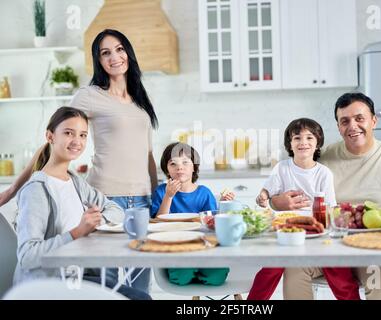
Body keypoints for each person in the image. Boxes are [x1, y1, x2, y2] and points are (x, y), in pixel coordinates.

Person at [0, 29, 158, 295]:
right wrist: (13, 190)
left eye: (119, 49)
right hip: (108, 198)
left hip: (141, 201)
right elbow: (58, 137)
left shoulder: (139, 98)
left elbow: (148, 154)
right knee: (110, 287)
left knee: (141, 283)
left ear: (128, 53)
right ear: (98, 60)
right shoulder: (90, 95)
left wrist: (155, 195)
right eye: (105, 53)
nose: (114, 57)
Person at [273, 92, 381, 300]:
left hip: (373, 250)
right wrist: (277, 201)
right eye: (345, 121)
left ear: (374, 121)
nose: (352, 126)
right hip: (327, 247)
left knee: (378, 280)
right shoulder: (321, 157)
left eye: (359, 118)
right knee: (294, 269)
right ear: (339, 127)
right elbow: (284, 185)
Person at [13, 106, 149, 300]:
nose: (77, 141)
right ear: (50, 136)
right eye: (68, 133)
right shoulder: (36, 190)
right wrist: (78, 232)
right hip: (51, 284)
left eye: (83, 135)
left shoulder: (75, 181)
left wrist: (97, 220)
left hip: (79, 275)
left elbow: (115, 209)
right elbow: (28, 256)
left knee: (141, 297)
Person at [247, 118, 360, 300]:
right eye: (297, 138)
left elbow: (330, 206)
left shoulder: (323, 173)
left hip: (318, 230)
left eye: (309, 138)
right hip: (287, 231)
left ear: (317, 143)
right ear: (289, 144)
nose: (303, 143)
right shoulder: (282, 168)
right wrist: (263, 197)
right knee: (270, 270)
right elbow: (267, 190)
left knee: (338, 270)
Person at [151, 142, 233, 285]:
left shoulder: (204, 193)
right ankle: (191, 271)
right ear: (166, 169)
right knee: (180, 277)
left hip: (203, 247)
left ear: (194, 167)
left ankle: (199, 271)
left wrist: (225, 205)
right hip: (176, 248)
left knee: (217, 277)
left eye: (185, 162)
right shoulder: (161, 191)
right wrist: (168, 196)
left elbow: (213, 224)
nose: (179, 167)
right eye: (173, 164)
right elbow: (158, 223)